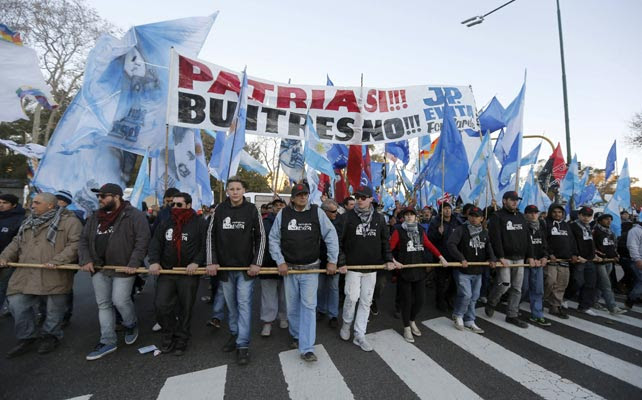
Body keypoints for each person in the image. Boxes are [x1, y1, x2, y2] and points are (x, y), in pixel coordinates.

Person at [0, 193, 82, 357]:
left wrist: (58, 260)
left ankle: (50, 336)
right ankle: (27, 336)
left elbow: (76, 244)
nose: (32, 205)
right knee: (17, 302)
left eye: (37, 203)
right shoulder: (28, 222)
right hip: (26, 272)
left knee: (54, 309)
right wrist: (4, 257)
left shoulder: (70, 222)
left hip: (54, 272)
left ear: (50, 205)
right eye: (32, 202)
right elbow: (16, 242)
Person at [78, 183, 151, 360]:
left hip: (123, 267)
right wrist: (86, 259)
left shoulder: (134, 215)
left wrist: (134, 263)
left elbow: (142, 240)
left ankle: (131, 323)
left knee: (120, 300)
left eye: (104, 196)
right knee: (103, 304)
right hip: (99, 268)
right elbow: (83, 240)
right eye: (99, 197)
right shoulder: (95, 217)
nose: (100, 199)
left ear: (116, 197)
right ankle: (107, 340)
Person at [269, 183, 339, 362]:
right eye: (299, 194)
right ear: (292, 198)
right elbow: (274, 239)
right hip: (289, 270)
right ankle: (296, 335)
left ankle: (307, 347)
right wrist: (280, 261)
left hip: (310, 269)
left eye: (305, 194)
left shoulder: (317, 212)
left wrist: (332, 260)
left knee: (308, 306)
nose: (302, 197)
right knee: (292, 307)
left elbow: (330, 235)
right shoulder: (283, 214)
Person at [206, 177, 265, 366]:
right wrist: (212, 261)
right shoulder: (220, 210)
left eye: (238, 188)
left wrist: (257, 262)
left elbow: (261, 237)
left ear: (244, 190)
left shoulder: (251, 210)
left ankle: (243, 345)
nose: (235, 192)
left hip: (246, 269)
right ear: (228, 191)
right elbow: (210, 237)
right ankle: (234, 333)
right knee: (231, 306)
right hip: (225, 268)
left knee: (244, 304)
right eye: (231, 189)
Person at [148, 193, 206, 355]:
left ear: (188, 205)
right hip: (167, 272)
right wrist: (154, 261)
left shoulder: (199, 223)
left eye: (179, 205)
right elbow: (155, 243)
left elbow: (205, 246)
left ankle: (182, 338)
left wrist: (197, 262)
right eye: (173, 204)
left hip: (188, 273)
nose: (175, 208)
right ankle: (168, 334)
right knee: (161, 305)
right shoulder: (166, 222)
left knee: (185, 309)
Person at [339, 186, 394, 352]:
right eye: (357, 197)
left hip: (372, 267)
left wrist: (389, 259)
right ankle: (346, 324)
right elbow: (338, 241)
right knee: (352, 297)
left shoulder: (379, 218)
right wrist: (341, 262)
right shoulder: (347, 217)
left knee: (366, 302)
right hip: (353, 267)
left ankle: (360, 334)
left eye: (363, 197)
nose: (360, 200)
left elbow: (385, 241)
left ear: (371, 199)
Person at [390, 207, 446, 342]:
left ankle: (412, 320)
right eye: (407, 215)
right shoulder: (398, 230)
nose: (409, 217)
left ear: (416, 217)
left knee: (420, 300)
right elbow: (388, 248)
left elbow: (428, 244)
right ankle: (406, 327)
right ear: (403, 217)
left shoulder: (420, 229)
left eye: (412, 215)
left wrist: (440, 257)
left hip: (419, 270)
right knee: (406, 301)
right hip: (404, 270)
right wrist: (393, 261)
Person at [485, 191, 535, 328]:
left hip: (520, 258)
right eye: (512, 200)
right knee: (504, 285)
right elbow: (495, 238)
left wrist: (530, 255)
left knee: (517, 288)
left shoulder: (520, 216)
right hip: (505, 258)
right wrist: (500, 256)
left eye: (516, 200)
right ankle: (492, 302)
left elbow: (527, 238)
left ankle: (512, 314)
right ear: (504, 201)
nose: (515, 202)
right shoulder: (497, 216)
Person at [447, 206, 495, 333]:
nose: (474, 219)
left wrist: (492, 259)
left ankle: (470, 320)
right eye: (472, 216)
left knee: (474, 296)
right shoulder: (461, 230)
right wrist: (461, 258)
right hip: (463, 270)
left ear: (482, 218)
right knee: (466, 295)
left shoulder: (484, 232)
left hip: (478, 270)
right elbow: (451, 244)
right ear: (468, 217)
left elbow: (488, 247)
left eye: (477, 216)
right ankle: (458, 315)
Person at [259, 199, 288, 337]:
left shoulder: (291, 221)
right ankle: (267, 322)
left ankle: (283, 317)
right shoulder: (264, 222)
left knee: (285, 296)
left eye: (281, 205)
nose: (278, 207)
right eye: (275, 206)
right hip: (268, 264)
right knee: (268, 296)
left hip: (287, 264)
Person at [542, 204, 576, 319]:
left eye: (560, 212)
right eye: (554, 212)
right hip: (551, 259)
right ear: (550, 212)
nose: (557, 214)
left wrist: (574, 254)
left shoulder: (566, 225)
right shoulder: (546, 224)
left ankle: (555, 306)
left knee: (562, 283)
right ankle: (541, 299)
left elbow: (571, 241)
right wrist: (549, 253)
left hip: (565, 259)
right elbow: (543, 240)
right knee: (550, 281)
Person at [427, 202, 461, 312]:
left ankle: (449, 297)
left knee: (455, 281)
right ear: (441, 211)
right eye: (445, 209)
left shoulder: (456, 221)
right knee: (441, 281)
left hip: (454, 256)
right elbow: (430, 240)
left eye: (449, 208)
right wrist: (438, 233)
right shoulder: (435, 223)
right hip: (441, 256)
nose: (447, 210)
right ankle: (440, 301)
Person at [569, 206, 601, 315]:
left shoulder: (588, 227)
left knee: (590, 283)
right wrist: (576, 255)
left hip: (590, 259)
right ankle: (564, 297)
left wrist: (594, 254)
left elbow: (590, 242)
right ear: (579, 215)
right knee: (577, 282)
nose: (586, 218)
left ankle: (584, 306)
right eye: (584, 215)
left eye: (589, 216)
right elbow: (571, 242)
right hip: (579, 259)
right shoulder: (572, 226)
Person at [522, 205, 552, 327]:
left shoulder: (541, 227)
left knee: (538, 289)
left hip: (538, 263)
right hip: (525, 263)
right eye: (530, 213)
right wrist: (528, 257)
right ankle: (513, 307)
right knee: (523, 288)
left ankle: (537, 314)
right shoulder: (522, 227)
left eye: (536, 213)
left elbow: (544, 244)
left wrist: (545, 256)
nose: (534, 215)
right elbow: (520, 245)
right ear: (526, 214)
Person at [317, 199, 344, 328]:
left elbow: (342, 243)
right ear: (324, 211)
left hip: (335, 261)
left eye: (337, 210)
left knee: (333, 288)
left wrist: (338, 261)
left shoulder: (340, 222)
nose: (336, 213)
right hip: (320, 261)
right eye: (333, 211)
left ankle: (333, 315)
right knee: (320, 288)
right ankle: (321, 310)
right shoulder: (316, 221)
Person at [592, 213, 626, 314]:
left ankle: (594, 301)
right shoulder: (595, 231)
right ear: (600, 220)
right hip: (600, 261)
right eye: (606, 219)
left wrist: (615, 255)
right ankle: (612, 307)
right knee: (607, 284)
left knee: (601, 283)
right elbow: (593, 246)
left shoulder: (611, 232)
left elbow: (613, 246)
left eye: (610, 219)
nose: (609, 221)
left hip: (610, 261)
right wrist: (602, 256)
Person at [0, 193, 25, 316]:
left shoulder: (20, 220)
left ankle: (10, 309)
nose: (1, 205)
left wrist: (7, 256)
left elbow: (19, 241)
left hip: (9, 260)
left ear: (14, 205)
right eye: (0, 202)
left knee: (3, 286)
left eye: (5, 203)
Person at [626, 220, 642, 308]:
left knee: (638, 281)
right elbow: (632, 246)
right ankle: (631, 298)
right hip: (638, 259)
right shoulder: (635, 231)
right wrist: (637, 259)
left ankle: (636, 297)